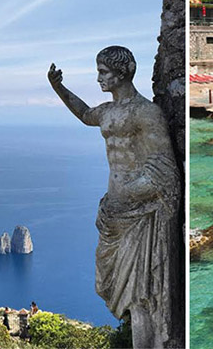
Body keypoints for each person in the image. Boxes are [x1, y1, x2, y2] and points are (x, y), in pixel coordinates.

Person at [48, 46, 179, 348]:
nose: (98, 79)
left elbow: (164, 170)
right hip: (115, 212)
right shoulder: (107, 112)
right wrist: (59, 88)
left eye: (103, 72)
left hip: (141, 212)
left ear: (123, 72)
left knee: (142, 291)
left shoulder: (146, 113)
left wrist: (129, 196)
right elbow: (84, 114)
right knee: (124, 288)